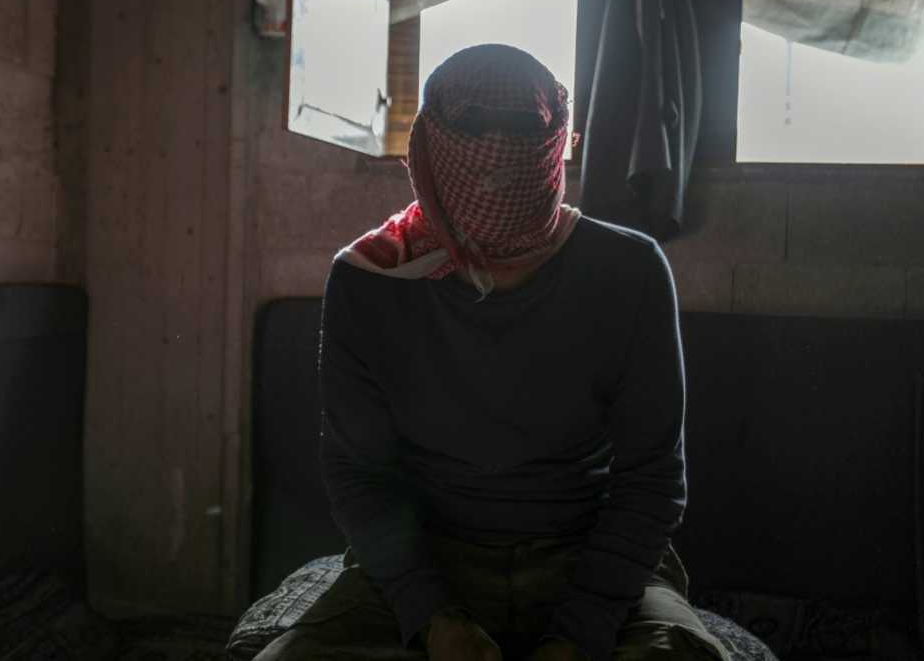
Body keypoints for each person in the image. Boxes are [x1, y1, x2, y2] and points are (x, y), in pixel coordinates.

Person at [256, 44, 728, 661]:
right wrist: (432, 618)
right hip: (432, 556)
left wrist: (580, 632)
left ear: (556, 144)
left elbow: (652, 478)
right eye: (474, 126)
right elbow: (361, 474)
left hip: (588, 555)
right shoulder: (372, 279)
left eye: (524, 128)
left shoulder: (629, 270)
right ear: (430, 146)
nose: (499, 149)